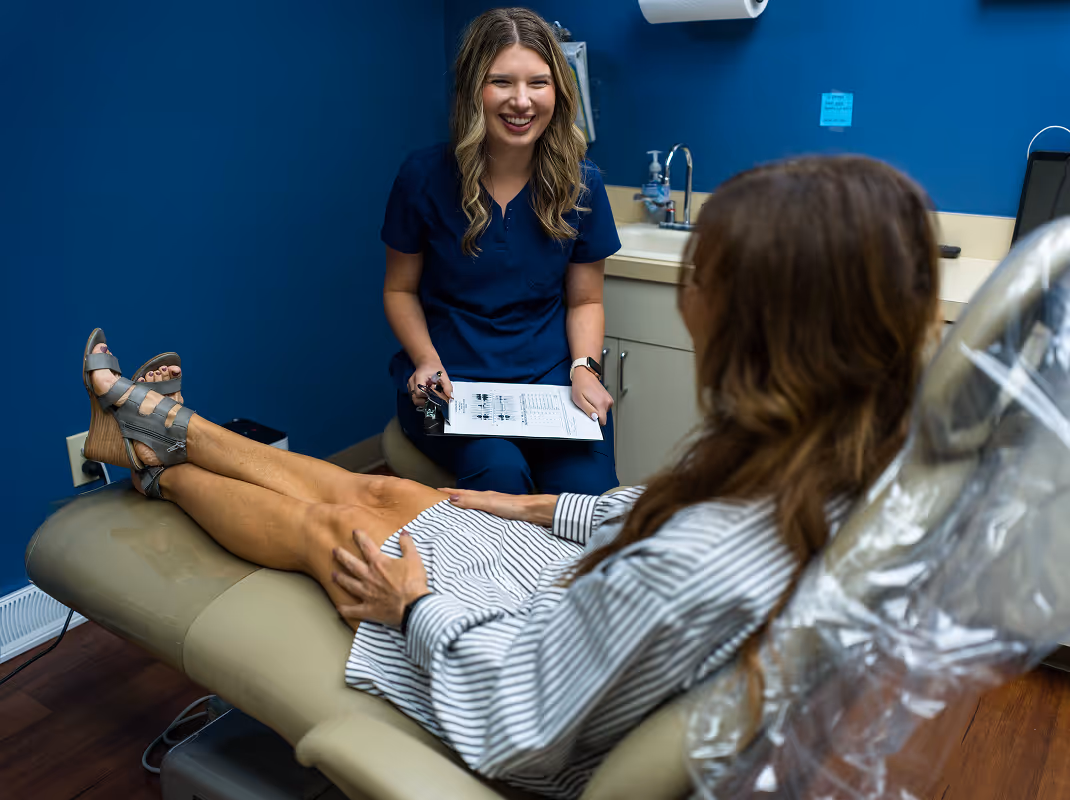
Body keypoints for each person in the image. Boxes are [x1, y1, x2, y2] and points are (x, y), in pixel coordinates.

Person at [80, 155, 940, 799]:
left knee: (335, 534)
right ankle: (168, 427)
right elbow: (662, 516)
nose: (688, 296)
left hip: (508, 674)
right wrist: (533, 506)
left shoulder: (694, 566)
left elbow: (520, 726)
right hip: (572, 612)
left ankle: (153, 464)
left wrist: (410, 607)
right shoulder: (839, 467)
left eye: (700, 278)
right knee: (397, 492)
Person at [382, 8, 620, 496]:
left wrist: (585, 370)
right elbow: (399, 289)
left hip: (552, 383)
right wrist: (425, 360)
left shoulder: (583, 184)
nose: (521, 101)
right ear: (474, 89)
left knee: (587, 494)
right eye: (501, 82)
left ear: (559, 90)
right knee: (500, 473)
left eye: (538, 83)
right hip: (442, 381)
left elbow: (586, 301)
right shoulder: (422, 177)